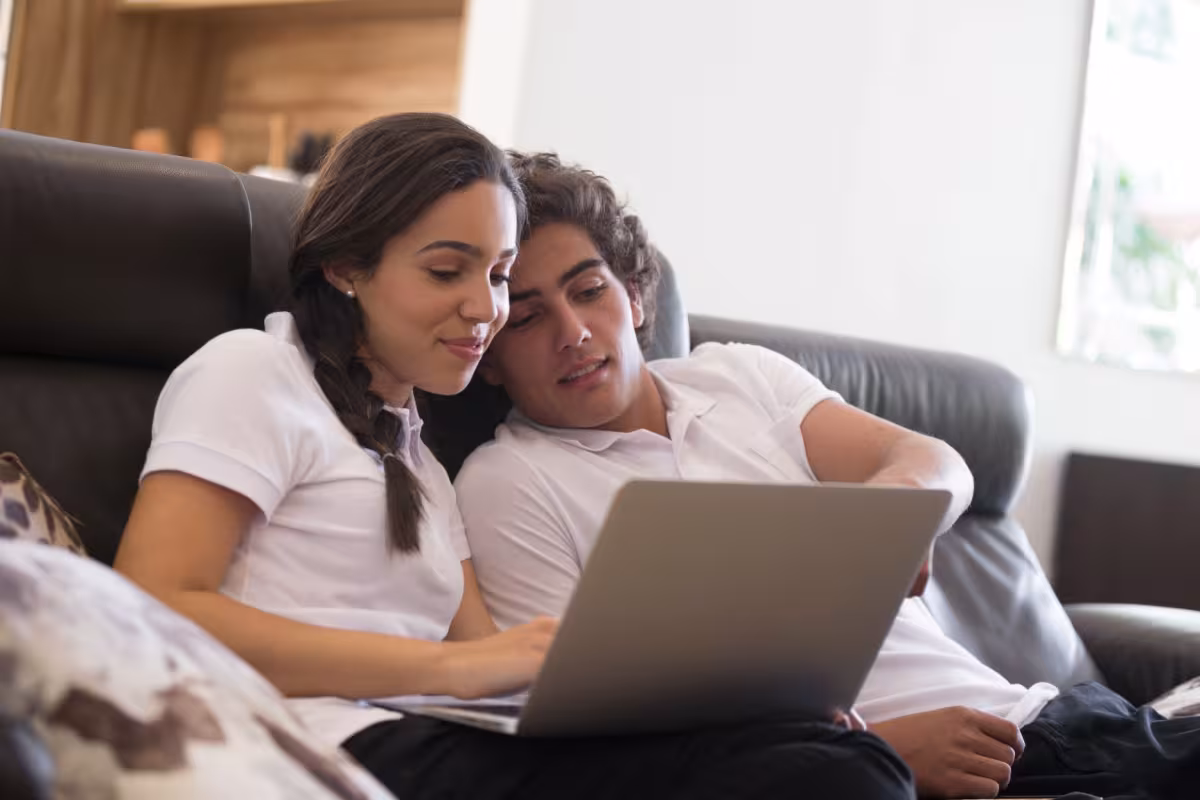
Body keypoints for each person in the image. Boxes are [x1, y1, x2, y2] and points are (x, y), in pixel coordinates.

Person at [113, 114, 915, 800]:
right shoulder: (254, 372)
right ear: (347, 266)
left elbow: (488, 655)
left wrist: (741, 702)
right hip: (320, 744)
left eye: (497, 276)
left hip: (426, 731)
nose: (484, 309)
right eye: (446, 270)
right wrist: (447, 674)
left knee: (826, 758)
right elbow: (153, 601)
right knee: (833, 779)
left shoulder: (419, 462)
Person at [454, 151, 1200, 800]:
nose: (574, 332)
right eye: (526, 318)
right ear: (489, 349)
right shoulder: (507, 484)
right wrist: (880, 747)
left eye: (589, 291)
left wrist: (895, 518)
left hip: (1054, 724)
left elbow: (934, 460)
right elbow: (586, 727)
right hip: (894, 772)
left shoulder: (734, 376)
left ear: (636, 295)